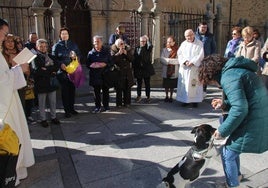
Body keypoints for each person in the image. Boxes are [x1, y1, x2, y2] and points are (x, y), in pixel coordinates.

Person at [198, 54, 268, 188]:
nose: (213, 83)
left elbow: (240, 108)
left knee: (227, 153)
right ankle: (237, 176)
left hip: (254, 118)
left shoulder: (228, 76)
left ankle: (232, 184)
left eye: (210, 81)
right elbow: (244, 98)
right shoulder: (235, 70)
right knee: (232, 149)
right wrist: (224, 103)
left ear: (211, 73)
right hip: (259, 113)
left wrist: (222, 131)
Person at [0, 18, 35, 186]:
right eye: (4, 33)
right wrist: (18, 70)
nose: (5, 37)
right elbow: (2, 81)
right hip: (4, 103)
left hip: (10, 98)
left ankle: (15, 170)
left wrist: (16, 70)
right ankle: (10, 172)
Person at [52, 27, 81, 118]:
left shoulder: (73, 45)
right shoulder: (56, 46)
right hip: (62, 72)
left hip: (72, 71)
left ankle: (72, 108)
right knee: (65, 92)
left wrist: (76, 58)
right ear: (60, 35)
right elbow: (53, 59)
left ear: (68, 35)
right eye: (63, 34)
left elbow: (79, 55)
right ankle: (67, 110)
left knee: (72, 90)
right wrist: (60, 64)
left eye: (66, 34)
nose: (65, 35)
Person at [32, 39, 60, 127]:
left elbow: (56, 67)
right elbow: (37, 70)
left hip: (51, 83)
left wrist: (46, 69)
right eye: (41, 46)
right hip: (41, 84)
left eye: (45, 46)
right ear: (37, 47)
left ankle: (53, 117)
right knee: (42, 103)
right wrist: (50, 71)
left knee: (53, 102)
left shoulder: (51, 56)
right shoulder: (35, 57)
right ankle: (43, 119)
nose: (43, 48)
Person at [176, 29, 204, 108]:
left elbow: (200, 55)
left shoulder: (199, 43)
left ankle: (195, 101)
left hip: (194, 67)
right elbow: (180, 54)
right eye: (187, 36)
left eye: (190, 35)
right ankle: (185, 100)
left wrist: (192, 62)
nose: (189, 37)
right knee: (185, 84)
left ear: (193, 34)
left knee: (194, 83)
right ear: (185, 37)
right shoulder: (183, 44)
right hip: (185, 68)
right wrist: (185, 61)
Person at [86, 35, 111, 113]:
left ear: (101, 42)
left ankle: (106, 106)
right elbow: (87, 64)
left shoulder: (106, 51)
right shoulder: (90, 53)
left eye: (98, 42)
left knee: (106, 91)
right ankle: (97, 107)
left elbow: (111, 62)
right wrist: (93, 65)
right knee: (96, 93)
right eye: (95, 42)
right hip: (95, 75)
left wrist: (105, 64)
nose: (96, 43)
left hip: (105, 75)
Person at [110, 38, 134, 107]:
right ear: (117, 45)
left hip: (127, 73)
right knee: (119, 89)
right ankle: (119, 104)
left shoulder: (128, 49)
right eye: (120, 44)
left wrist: (126, 54)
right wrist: (118, 54)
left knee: (127, 88)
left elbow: (132, 59)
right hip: (118, 72)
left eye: (123, 43)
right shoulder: (113, 50)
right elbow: (112, 61)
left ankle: (127, 103)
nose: (122, 45)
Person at [195, 21, 216, 94]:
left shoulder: (210, 36)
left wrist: (211, 57)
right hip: (196, 58)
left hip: (206, 58)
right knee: (196, 74)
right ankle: (195, 90)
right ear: (199, 27)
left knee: (205, 75)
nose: (204, 29)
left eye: (205, 27)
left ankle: (203, 90)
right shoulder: (195, 36)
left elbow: (213, 48)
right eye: (202, 27)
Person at [133, 35, 155, 103]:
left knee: (147, 84)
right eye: (141, 41)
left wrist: (148, 40)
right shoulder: (137, 48)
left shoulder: (148, 47)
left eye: (144, 41)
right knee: (139, 84)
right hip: (139, 68)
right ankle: (138, 96)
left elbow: (151, 46)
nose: (142, 42)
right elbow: (135, 58)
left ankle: (148, 97)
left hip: (146, 69)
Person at [160, 35, 179, 102]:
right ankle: (166, 96)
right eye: (168, 42)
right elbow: (162, 59)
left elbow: (178, 60)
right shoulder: (164, 50)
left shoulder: (177, 50)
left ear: (174, 42)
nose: (168, 43)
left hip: (173, 70)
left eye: (170, 42)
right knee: (166, 85)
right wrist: (168, 61)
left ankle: (171, 96)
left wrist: (168, 61)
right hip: (166, 70)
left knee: (172, 85)